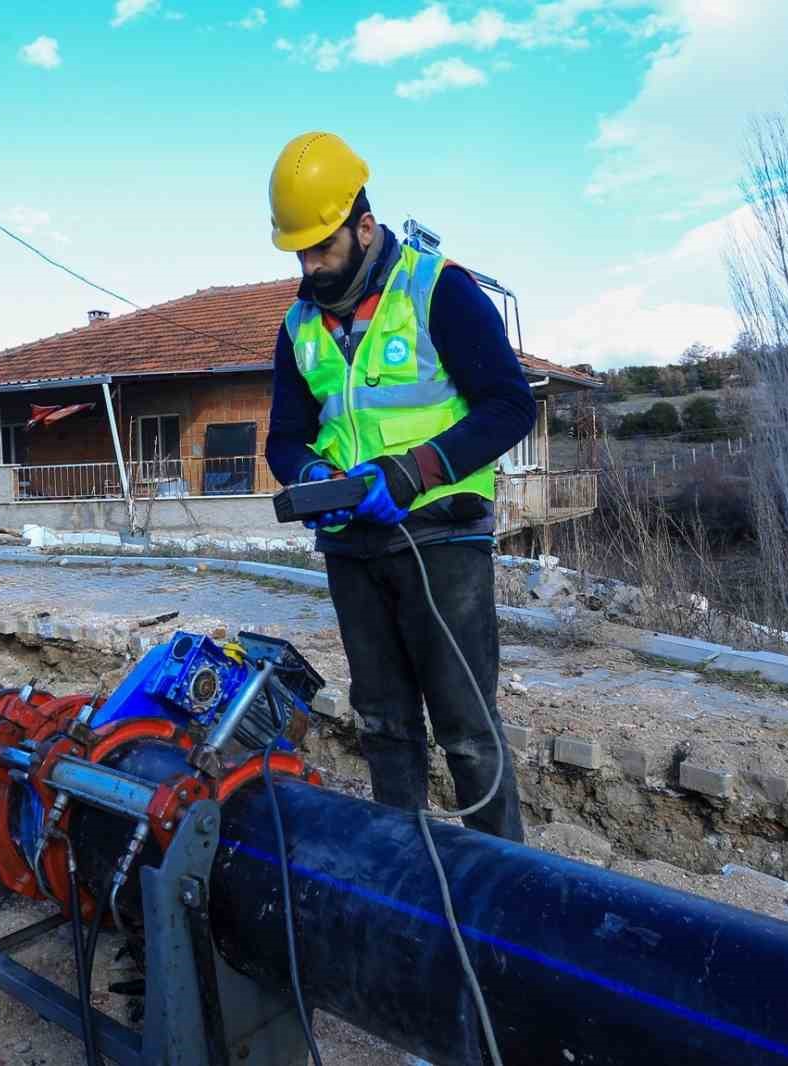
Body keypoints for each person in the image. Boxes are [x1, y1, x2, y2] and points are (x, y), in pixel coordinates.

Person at [263, 131, 535, 841]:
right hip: (353, 547)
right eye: (301, 252)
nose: (312, 266)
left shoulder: (438, 288)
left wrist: (414, 473)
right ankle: (407, 875)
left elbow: (510, 405)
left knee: (468, 728)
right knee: (383, 724)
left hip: (441, 539)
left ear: (363, 226)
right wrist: (313, 476)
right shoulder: (298, 326)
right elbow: (284, 438)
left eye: (323, 247)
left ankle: (505, 889)